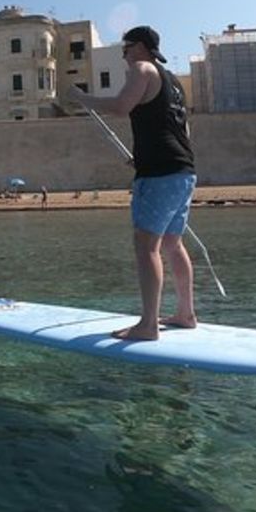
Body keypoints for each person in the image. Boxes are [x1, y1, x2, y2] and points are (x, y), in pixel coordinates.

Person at [67, 24, 196, 340]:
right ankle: (185, 313)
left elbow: (121, 107)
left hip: (160, 174)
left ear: (137, 47)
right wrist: (144, 156)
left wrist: (84, 98)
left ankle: (148, 325)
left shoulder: (141, 68)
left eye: (125, 48)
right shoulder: (172, 81)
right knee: (172, 243)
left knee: (145, 245)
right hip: (183, 169)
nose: (123, 55)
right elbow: (181, 129)